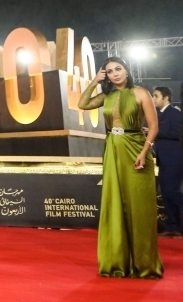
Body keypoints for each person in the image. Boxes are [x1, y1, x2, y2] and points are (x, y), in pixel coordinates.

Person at [78, 56, 162, 278]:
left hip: (135, 149)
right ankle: (118, 262)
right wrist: (95, 81)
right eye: (110, 71)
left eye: (118, 69)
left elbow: (153, 127)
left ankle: (144, 263)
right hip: (112, 149)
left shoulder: (141, 93)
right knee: (115, 204)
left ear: (126, 70)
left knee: (139, 206)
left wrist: (145, 152)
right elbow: (82, 104)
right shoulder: (107, 95)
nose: (115, 74)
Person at [152, 86, 182, 236]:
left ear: (166, 98)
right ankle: (173, 226)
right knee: (165, 193)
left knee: (172, 192)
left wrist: (155, 132)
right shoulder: (160, 114)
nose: (153, 99)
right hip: (164, 161)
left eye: (156, 96)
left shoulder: (174, 113)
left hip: (174, 160)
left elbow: (177, 133)